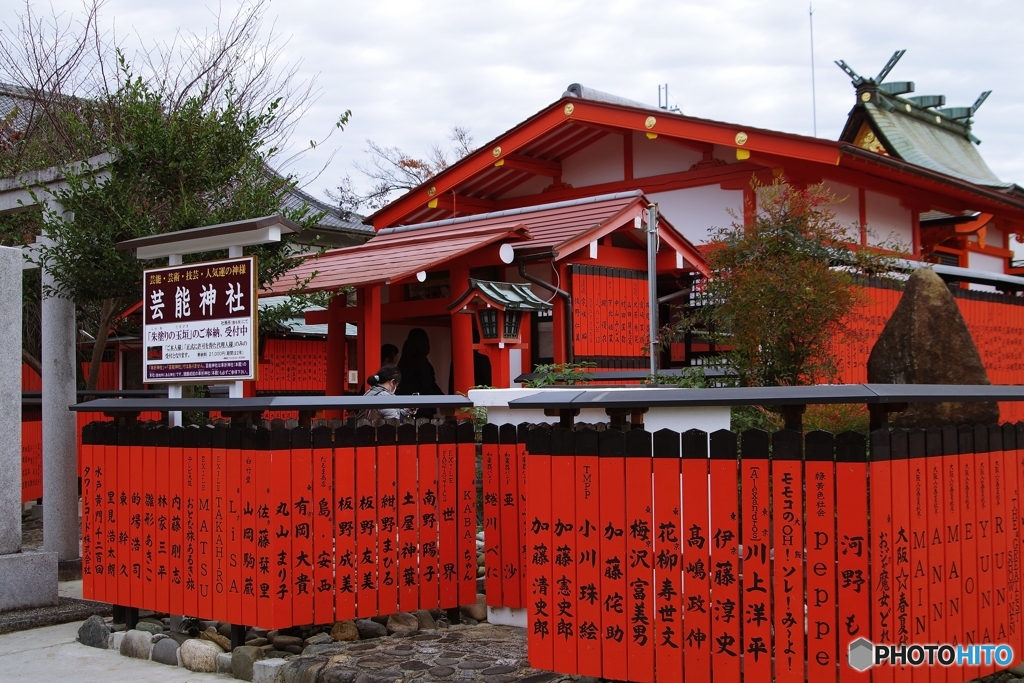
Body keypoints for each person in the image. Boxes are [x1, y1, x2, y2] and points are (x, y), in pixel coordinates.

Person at [396, 327, 443, 418]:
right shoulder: (421, 362)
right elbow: (427, 384)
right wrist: (442, 398)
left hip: (404, 404)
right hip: (422, 406)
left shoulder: (403, 362)